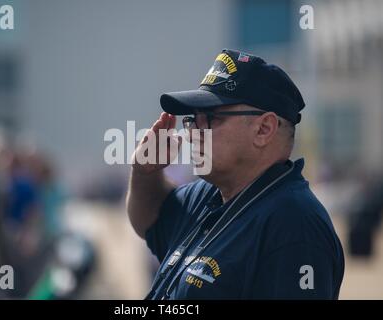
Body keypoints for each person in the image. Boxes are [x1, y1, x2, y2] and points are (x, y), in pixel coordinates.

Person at [126, 49, 344, 299]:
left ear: (263, 129)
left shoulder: (295, 224)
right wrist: (144, 172)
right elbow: (149, 221)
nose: (192, 132)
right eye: (192, 120)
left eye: (209, 117)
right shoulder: (211, 193)